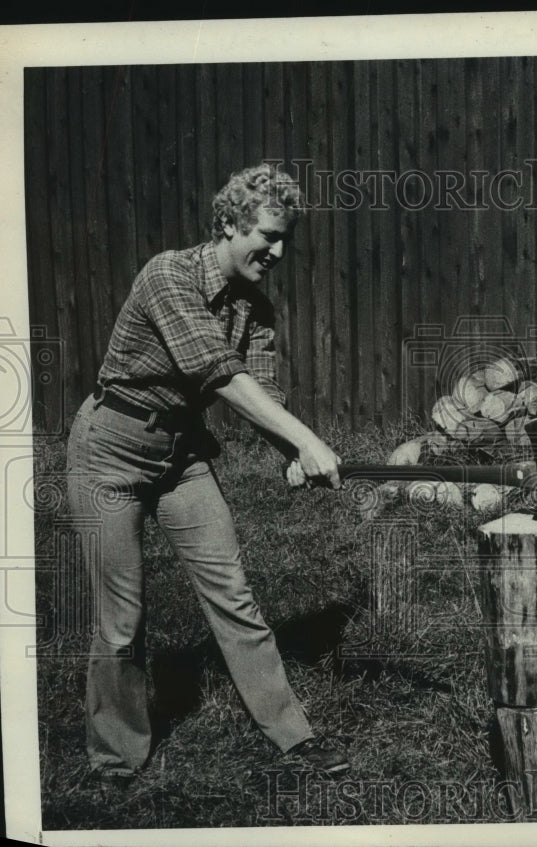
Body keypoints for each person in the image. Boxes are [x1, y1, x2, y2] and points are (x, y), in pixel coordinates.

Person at [66, 163, 347, 797]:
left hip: (180, 457)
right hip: (108, 449)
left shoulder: (256, 307)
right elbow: (219, 373)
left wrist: (289, 452)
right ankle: (116, 760)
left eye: (284, 241)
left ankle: (291, 732)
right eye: (268, 237)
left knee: (233, 592)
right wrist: (308, 439)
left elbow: (262, 390)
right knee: (121, 617)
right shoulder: (168, 275)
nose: (277, 252)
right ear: (227, 224)